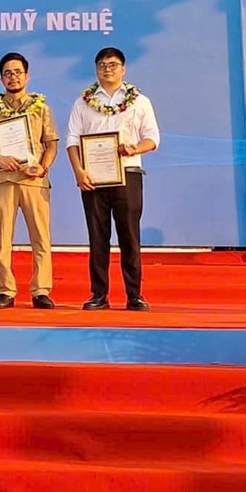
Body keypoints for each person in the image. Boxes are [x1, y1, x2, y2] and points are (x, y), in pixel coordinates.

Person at [67, 47, 161, 311]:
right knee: (98, 237)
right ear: (96, 69)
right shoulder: (82, 102)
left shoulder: (140, 101)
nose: (107, 69)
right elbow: (72, 140)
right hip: (93, 179)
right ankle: (99, 295)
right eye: (102, 65)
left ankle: (134, 295)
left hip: (128, 175)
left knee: (129, 236)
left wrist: (135, 149)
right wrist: (79, 171)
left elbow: (153, 138)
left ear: (123, 69)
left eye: (112, 65)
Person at [0, 52, 60, 309]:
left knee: (41, 237)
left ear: (27, 76)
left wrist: (43, 167)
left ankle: (41, 290)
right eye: (7, 73)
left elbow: (51, 145)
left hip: (34, 181)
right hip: (2, 180)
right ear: (1, 79)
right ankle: (5, 291)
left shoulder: (41, 108)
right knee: (1, 238)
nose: (13, 77)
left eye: (18, 72)